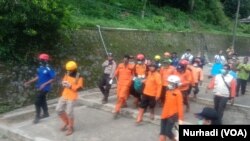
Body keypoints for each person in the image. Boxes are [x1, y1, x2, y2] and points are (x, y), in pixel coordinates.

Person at [24, 53, 56, 124]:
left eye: (41, 60)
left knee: (37, 102)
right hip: (40, 87)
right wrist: (29, 82)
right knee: (43, 100)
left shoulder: (49, 68)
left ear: (46, 60)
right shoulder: (40, 67)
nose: (40, 61)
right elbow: (38, 77)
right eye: (40, 59)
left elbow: (53, 79)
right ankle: (46, 113)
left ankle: (37, 117)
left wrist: (44, 84)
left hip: (45, 88)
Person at [56, 61, 84, 136]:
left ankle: (70, 127)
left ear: (74, 69)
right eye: (68, 70)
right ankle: (67, 123)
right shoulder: (67, 73)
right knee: (58, 109)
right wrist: (63, 83)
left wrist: (71, 86)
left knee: (69, 112)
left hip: (72, 96)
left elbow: (80, 88)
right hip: (65, 94)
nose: (69, 71)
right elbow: (64, 80)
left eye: (70, 70)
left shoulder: (79, 76)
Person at [159, 75, 183, 141]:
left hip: (173, 115)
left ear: (176, 84)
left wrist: (180, 119)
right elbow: (166, 103)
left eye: (171, 83)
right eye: (169, 83)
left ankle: (175, 139)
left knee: (168, 132)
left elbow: (180, 106)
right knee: (162, 132)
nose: (169, 84)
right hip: (165, 114)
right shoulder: (168, 91)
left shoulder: (178, 93)